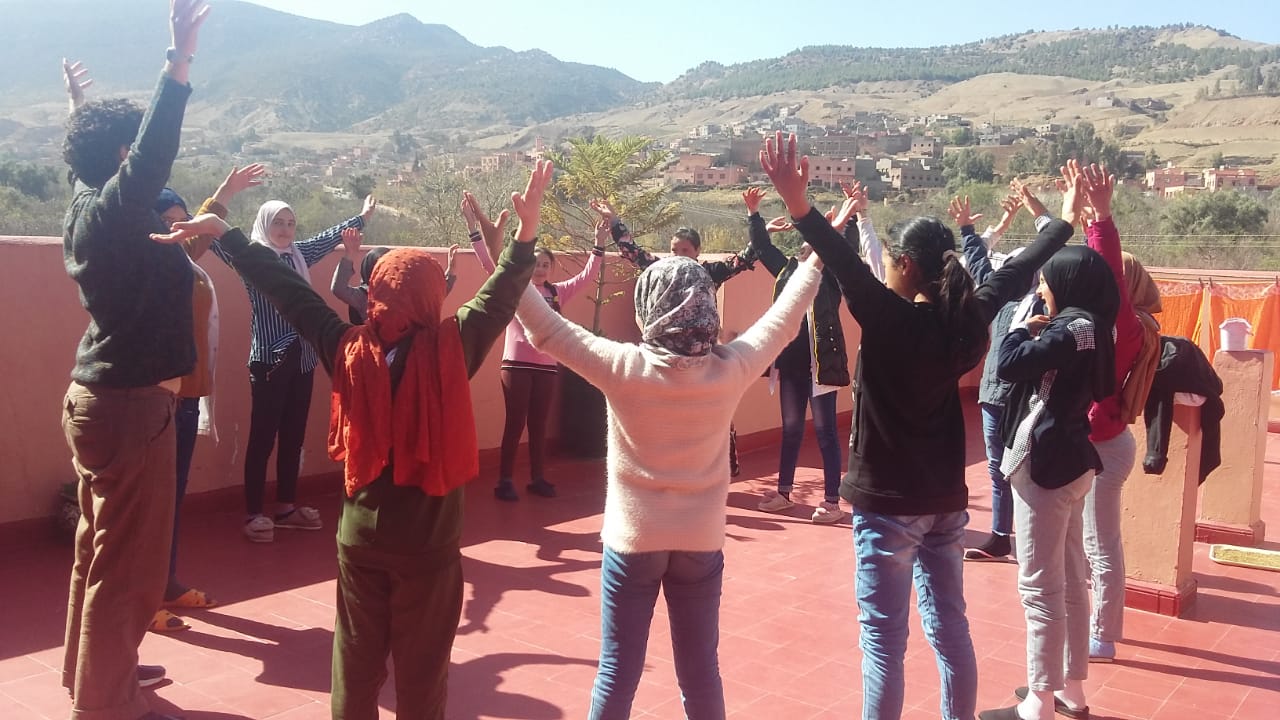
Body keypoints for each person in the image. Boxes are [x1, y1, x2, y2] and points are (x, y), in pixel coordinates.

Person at [152, 160, 553, 720]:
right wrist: (525, 231)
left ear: (376, 292)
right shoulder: (452, 348)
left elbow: (290, 291)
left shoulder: (346, 348)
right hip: (428, 545)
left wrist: (227, 234)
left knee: (355, 663)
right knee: (422, 671)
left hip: (359, 540)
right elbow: (501, 296)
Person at [760, 131, 1075, 720]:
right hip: (944, 503)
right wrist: (1068, 212)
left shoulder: (885, 316)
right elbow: (1037, 255)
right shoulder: (970, 316)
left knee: (884, 642)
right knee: (951, 629)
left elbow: (842, 259)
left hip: (887, 507)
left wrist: (799, 204)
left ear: (904, 264)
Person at [510, 219, 824, 718]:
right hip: (701, 540)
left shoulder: (623, 367)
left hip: (633, 541)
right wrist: (815, 258)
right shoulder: (731, 368)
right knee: (701, 673)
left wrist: (516, 250)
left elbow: (545, 329)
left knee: (617, 672)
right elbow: (784, 320)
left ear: (648, 305)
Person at [59, 2, 209, 718]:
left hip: (97, 399)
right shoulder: (117, 206)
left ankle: (90, 683)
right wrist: (176, 64)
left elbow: (103, 159)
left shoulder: (85, 202)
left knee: (99, 559)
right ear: (120, 157)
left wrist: (79, 108)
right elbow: (149, 156)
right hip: (129, 407)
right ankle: (104, 706)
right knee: (126, 576)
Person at [980, 161, 1120, 720]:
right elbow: (1101, 383)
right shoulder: (1097, 327)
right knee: (1071, 577)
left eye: (1045, 282)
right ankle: (1071, 688)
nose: (1041, 288)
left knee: (1039, 586)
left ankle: (1038, 698)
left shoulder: (1068, 327)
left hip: (1042, 463)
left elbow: (1006, 363)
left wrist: (1020, 318)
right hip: (1076, 461)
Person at [207, 193, 378, 542]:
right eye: (277, 223)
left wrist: (362, 218)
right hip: (270, 358)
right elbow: (218, 238)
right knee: (262, 438)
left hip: (302, 357)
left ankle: (286, 507)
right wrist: (215, 204)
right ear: (264, 225)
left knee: (293, 436)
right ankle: (254, 513)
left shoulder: (299, 253)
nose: (285, 230)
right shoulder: (252, 258)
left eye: (290, 223)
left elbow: (330, 236)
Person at [592, 198, 757, 477]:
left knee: (713, 416)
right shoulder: (659, 271)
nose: (677, 255)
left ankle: (718, 470)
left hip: (702, 359)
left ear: (697, 252)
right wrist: (615, 220)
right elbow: (632, 251)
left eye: (684, 250)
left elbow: (747, 256)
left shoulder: (708, 272)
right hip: (664, 360)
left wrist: (757, 219)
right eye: (673, 250)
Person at [465, 191, 604, 500]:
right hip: (515, 365)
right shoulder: (517, 287)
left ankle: (537, 478)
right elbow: (491, 264)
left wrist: (599, 244)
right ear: (526, 267)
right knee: (515, 424)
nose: (540, 269)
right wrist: (475, 231)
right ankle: (504, 481)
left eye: (545, 265)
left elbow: (587, 277)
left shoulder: (558, 292)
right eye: (535, 264)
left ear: (550, 268)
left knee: (539, 426)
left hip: (547, 368)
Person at [745, 185, 853, 523]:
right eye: (806, 247)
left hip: (821, 368)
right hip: (791, 367)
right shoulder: (788, 271)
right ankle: (783, 494)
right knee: (791, 429)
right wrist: (753, 214)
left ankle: (832, 502)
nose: (808, 251)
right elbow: (762, 247)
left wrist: (844, 223)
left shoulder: (833, 278)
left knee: (825, 433)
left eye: (815, 246)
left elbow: (845, 252)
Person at [334, 234, 458, 324]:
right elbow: (338, 288)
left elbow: (432, 298)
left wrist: (450, 271)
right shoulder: (364, 296)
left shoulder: (402, 290)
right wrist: (349, 254)